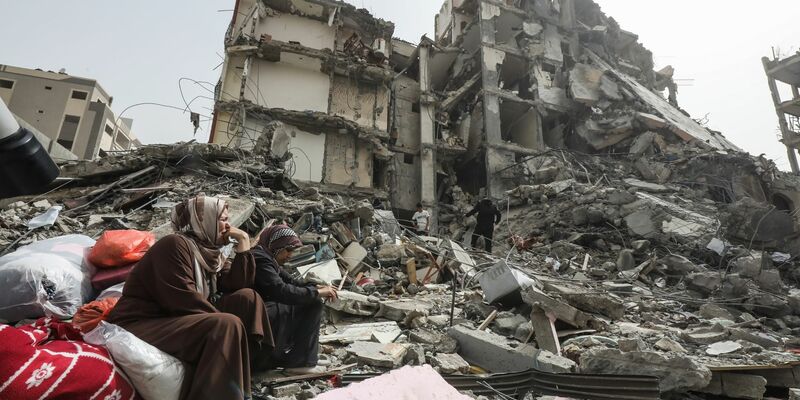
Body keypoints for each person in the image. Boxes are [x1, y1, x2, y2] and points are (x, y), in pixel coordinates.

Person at [107, 196, 272, 400]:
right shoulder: (174, 245)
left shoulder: (211, 253)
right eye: (222, 219)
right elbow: (181, 299)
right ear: (204, 220)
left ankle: (242, 382)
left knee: (248, 299)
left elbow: (239, 284)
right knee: (226, 324)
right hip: (143, 322)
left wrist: (244, 243)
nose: (228, 225)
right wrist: (224, 324)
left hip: (172, 318)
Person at [251, 225, 338, 374]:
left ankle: (302, 357)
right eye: (288, 250)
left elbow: (292, 282)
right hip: (260, 314)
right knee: (313, 303)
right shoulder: (261, 261)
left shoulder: (267, 257)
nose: (290, 255)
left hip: (267, 310)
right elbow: (282, 291)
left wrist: (316, 287)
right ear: (276, 246)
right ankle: (301, 362)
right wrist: (316, 293)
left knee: (311, 298)